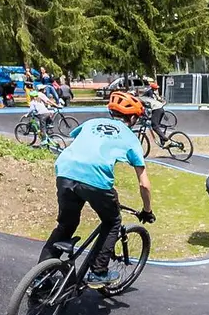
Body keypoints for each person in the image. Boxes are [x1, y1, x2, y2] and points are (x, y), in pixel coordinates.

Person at [47, 117, 155, 286]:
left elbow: (78, 139)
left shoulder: (91, 122)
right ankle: (98, 271)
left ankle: (40, 276)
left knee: (65, 225)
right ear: (133, 118)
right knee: (113, 221)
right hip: (95, 179)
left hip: (65, 172)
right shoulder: (130, 137)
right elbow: (144, 185)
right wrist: (147, 211)